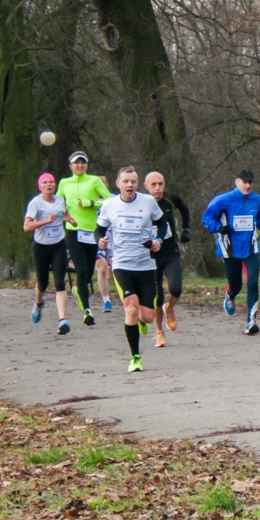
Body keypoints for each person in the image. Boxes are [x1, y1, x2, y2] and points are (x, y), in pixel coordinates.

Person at [96, 167, 164, 372]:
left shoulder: (148, 202)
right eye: (125, 181)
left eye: (133, 181)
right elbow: (99, 228)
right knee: (131, 309)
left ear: (137, 184)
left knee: (148, 317)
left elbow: (162, 223)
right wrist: (100, 240)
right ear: (118, 184)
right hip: (122, 264)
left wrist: (158, 240)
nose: (129, 185)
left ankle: (141, 323)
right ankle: (135, 357)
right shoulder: (109, 205)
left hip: (145, 264)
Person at [202, 169, 260, 335]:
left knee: (253, 282)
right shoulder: (222, 200)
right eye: (244, 182)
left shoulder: (256, 199)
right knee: (237, 285)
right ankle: (230, 293)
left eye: (250, 182)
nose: (247, 185)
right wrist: (218, 228)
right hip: (230, 249)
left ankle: (251, 322)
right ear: (237, 182)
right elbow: (207, 219)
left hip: (251, 248)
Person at [58, 152, 110, 327]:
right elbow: (58, 203)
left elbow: (109, 200)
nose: (79, 166)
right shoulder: (65, 183)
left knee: (88, 272)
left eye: (83, 163)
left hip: (92, 231)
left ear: (87, 165)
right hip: (73, 231)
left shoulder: (94, 181)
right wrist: (65, 217)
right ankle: (87, 310)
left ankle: (78, 291)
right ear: (70, 166)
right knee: (80, 270)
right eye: (76, 163)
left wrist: (90, 203)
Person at [143, 171, 189, 348]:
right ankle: (159, 332)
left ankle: (170, 308)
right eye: (153, 185)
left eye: (160, 184)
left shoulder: (170, 199)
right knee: (156, 296)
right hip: (149, 257)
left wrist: (186, 230)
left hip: (170, 252)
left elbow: (184, 210)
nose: (157, 188)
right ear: (146, 186)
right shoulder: (140, 203)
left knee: (175, 289)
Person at [24, 172, 73, 335]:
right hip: (41, 246)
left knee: (60, 281)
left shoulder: (60, 200)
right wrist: (45, 221)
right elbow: (27, 226)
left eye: (51, 182)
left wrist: (70, 219)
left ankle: (62, 320)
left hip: (59, 244)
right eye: (45, 182)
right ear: (40, 186)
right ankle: (38, 303)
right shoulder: (35, 203)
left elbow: (63, 213)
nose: (49, 185)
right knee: (43, 283)